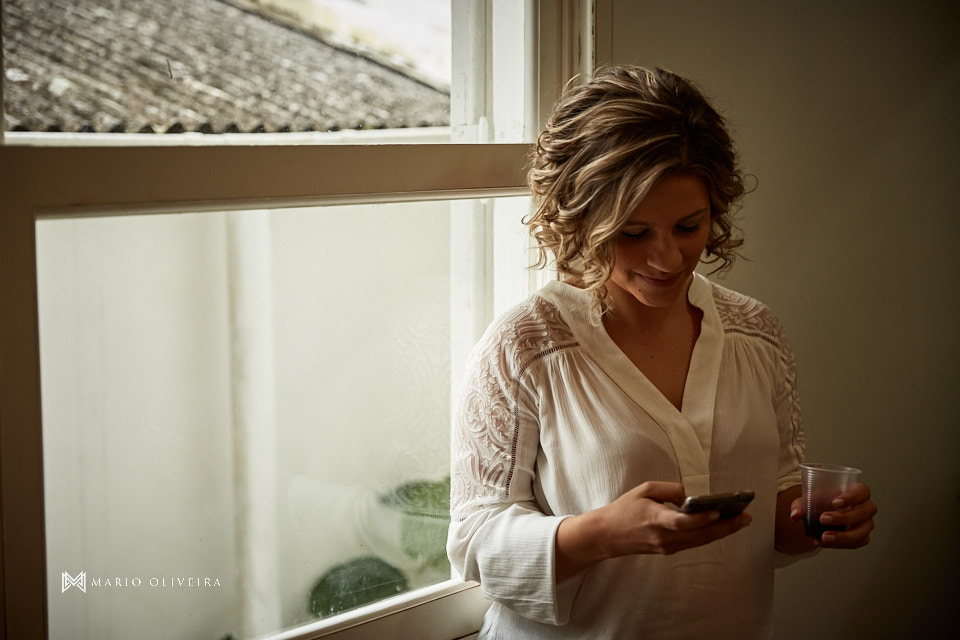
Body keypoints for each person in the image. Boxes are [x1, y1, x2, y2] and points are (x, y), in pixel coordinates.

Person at [446, 66, 877, 639]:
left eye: (688, 226)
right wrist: (601, 532)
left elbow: (776, 507)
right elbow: (472, 541)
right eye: (633, 233)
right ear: (579, 221)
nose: (667, 257)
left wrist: (821, 521)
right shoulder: (526, 346)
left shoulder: (757, 334)